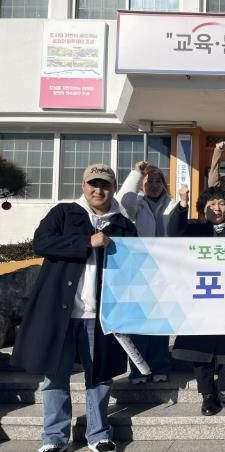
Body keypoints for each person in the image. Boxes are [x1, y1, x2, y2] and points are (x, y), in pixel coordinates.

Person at [11, 164, 137, 452]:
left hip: (101, 315)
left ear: (113, 188)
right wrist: (86, 242)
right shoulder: (64, 213)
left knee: (100, 377)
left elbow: (135, 266)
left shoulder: (123, 224)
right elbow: (41, 243)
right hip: (60, 313)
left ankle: (98, 434)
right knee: (55, 377)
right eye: (93, 184)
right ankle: (54, 438)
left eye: (105, 185)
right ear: (83, 186)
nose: (98, 190)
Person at [167, 185, 225, 416]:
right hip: (199, 297)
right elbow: (173, 232)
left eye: (221, 203)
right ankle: (208, 394)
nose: (216, 208)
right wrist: (183, 203)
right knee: (199, 348)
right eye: (211, 204)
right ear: (203, 208)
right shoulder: (194, 228)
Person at [115, 160, 175, 384]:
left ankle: (160, 366)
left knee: (161, 320)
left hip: (165, 270)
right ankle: (139, 370)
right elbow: (123, 201)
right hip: (139, 269)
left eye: (159, 181)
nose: (154, 185)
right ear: (142, 184)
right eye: (150, 181)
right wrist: (137, 173)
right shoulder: (136, 205)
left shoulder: (172, 204)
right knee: (139, 320)